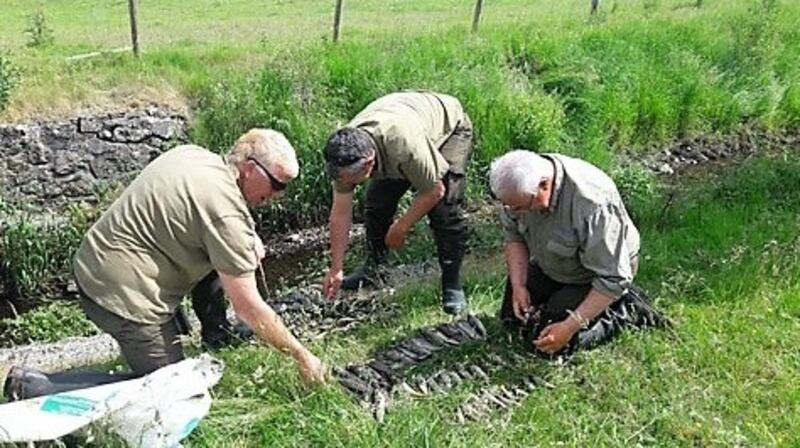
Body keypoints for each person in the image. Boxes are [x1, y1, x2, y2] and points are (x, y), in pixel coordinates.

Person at [3, 129, 327, 401]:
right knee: (172, 395)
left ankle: (216, 333)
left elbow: (209, 218)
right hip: (119, 295)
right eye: (278, 185)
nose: (279, 195)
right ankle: (34, 386)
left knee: (224, 261)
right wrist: (302, 355)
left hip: (95, 262)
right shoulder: (225, 213)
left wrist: (245, 239)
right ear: (251, 168)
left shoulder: (195, 156)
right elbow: (249, 307)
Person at [489, 150, 663, 356]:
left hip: (596, 274)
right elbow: (514, 237)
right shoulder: (517, 191)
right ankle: (560, 302)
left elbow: (613, 277)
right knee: (512, 320)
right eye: (510, 207)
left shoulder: (593, 203)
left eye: (520, 207)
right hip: (553, 261)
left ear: (544, 185)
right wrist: (519, 286)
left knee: (551, 345)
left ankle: (623, 311)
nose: (513, 211)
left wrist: (570, 327)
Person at [322, 91, 473, 315]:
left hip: (448, 127)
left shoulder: (404, 146)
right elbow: (340, 214)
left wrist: (401, 226)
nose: (346, 184)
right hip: (404, 115)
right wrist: (336, 268)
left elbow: (434, 190)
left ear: (369, 164)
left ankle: (451, 284)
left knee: (445, 211)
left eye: (351, 180)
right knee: (376, 203)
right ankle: (375, 269)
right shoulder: (343, 155)